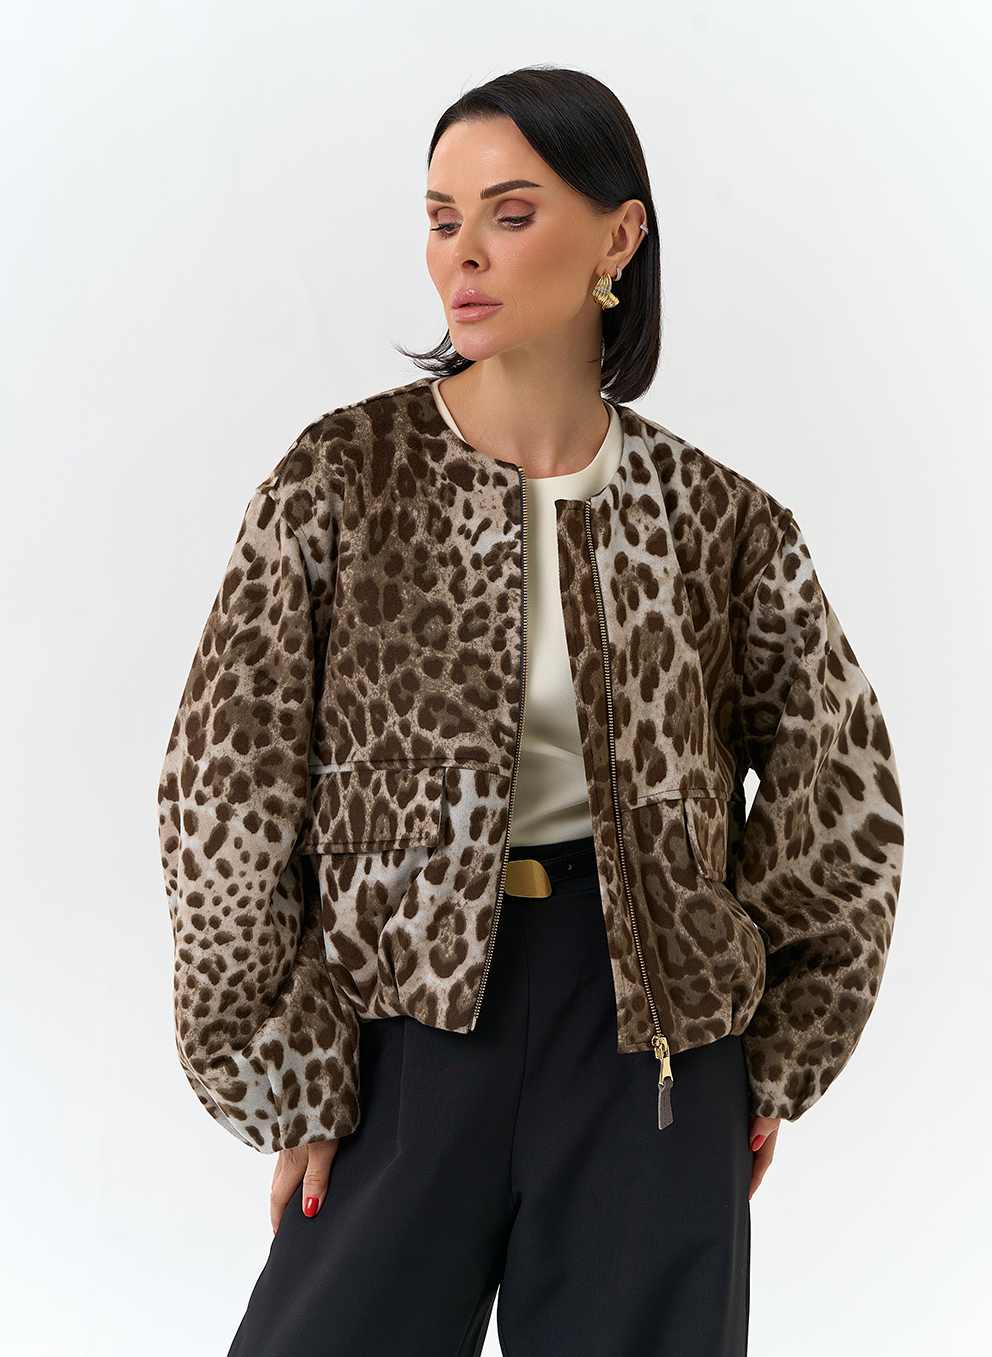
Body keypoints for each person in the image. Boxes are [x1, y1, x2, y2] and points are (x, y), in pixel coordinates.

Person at [158, 66, 903, 1357]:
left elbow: (843, 790)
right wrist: (285, 1068)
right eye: (441, 218)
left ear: (618, 237)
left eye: (509, 213)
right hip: (400, 1030)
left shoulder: (719, 519)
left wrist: (769, 1053)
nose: (463, 252)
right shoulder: (342, 479)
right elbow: (224, 787)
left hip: (650, 1047)